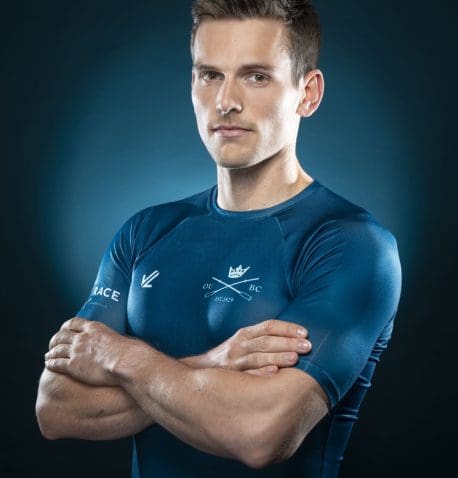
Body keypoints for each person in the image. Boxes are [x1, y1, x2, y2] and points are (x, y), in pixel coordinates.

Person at [35, 1, 402, 476]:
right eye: (210, 75)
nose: (226, 100)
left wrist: (120, 356)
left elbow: (260, 433)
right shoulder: (146, 232)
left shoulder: (351, 245)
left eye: (256, 76)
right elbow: (56, 407)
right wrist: (215, 361)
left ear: (308, 94)